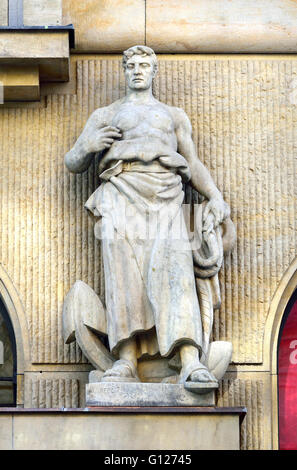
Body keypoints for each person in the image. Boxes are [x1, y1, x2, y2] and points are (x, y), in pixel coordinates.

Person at [65, 45, 231, 388]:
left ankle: (188, 358)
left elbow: (193, 162)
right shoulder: (105, 115)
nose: (138, 70)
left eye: (144, 64)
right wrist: (88, 145)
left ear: (154, 71)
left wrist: (215, 195)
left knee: (175, 269)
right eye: (132, 65)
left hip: (166, 194)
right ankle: (126, 360)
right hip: (119, 194)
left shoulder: (173, 116)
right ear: (124, 71)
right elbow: (73, 161)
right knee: (122, 276)